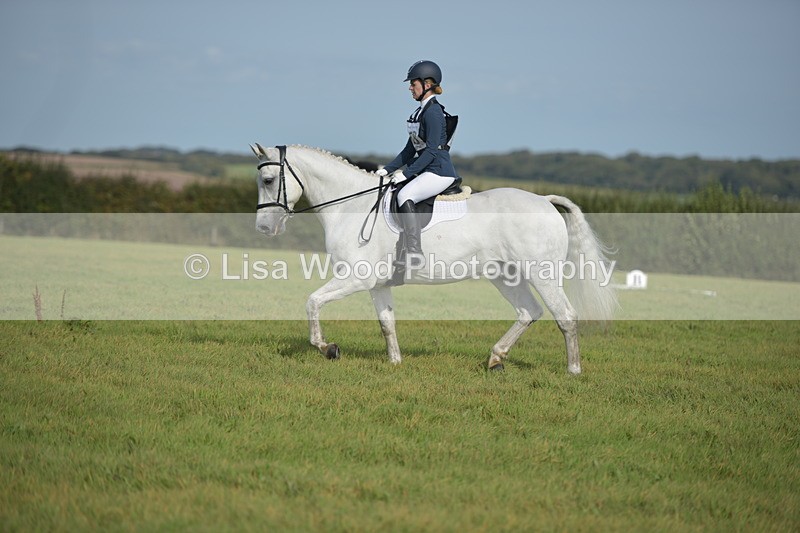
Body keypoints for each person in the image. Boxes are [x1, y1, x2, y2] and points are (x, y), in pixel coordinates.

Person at [376, 60, 460, 273]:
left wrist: (406, 173)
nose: (410, 87)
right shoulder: (420, 112)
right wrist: (387, 169)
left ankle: (415, 252)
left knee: (405, 195)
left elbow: (432, 151)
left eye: (413, 83)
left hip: (439, 171)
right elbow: (409, 150)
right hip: (427, 168)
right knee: (394, 190)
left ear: (428, 84)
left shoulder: (433, 113)